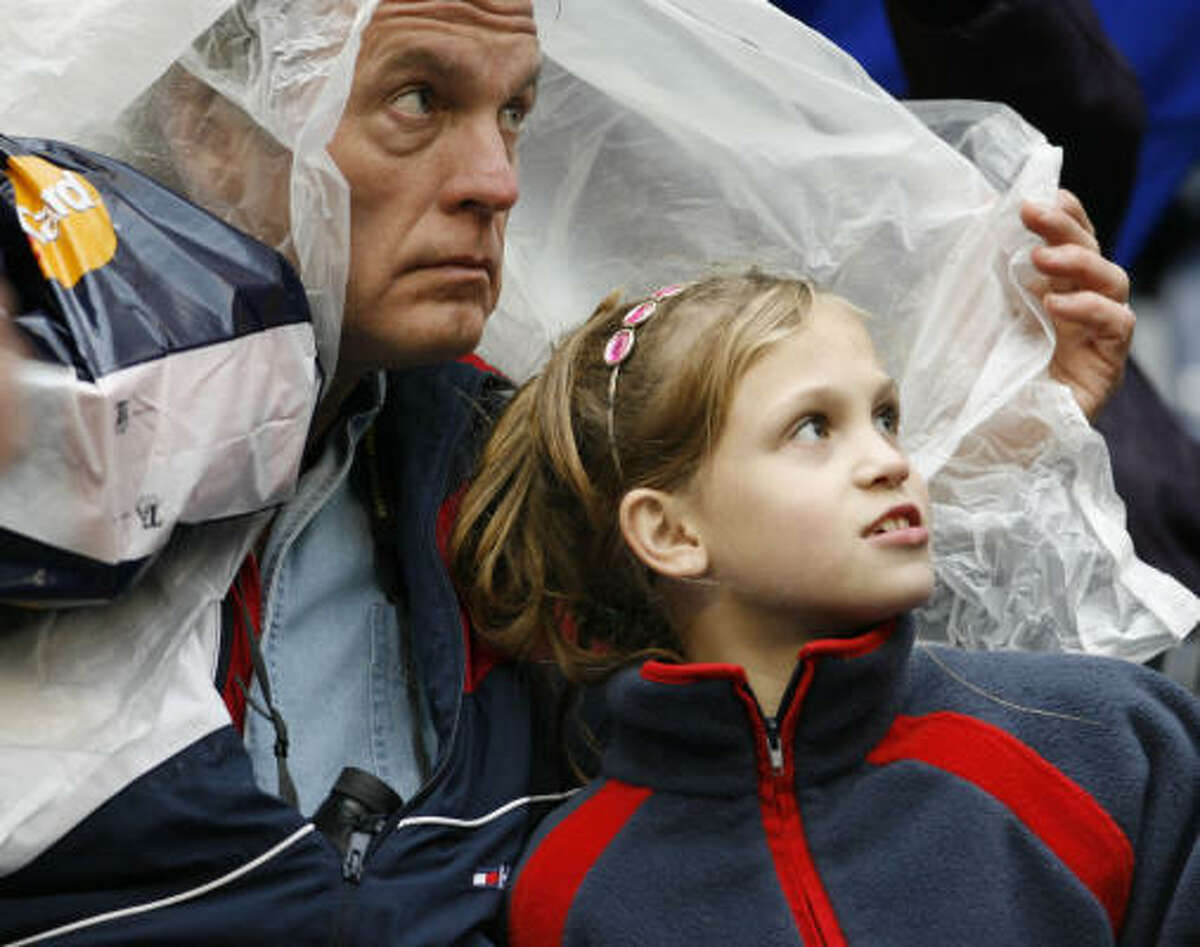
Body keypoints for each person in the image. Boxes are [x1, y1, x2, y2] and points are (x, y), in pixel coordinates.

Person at [0, 1, 1169, 944]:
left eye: (514, 113)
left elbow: (790, 752)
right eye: (420, 99)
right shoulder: (38, 426)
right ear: (215, 124)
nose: (498, 179)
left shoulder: (536, 478)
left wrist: (1001, 453)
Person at [451, 270, 1200, 946]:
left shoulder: (1107, 740)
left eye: (885, 415)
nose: (889, 461)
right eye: (813, 427)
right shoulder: (569, 887)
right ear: (670, 531)